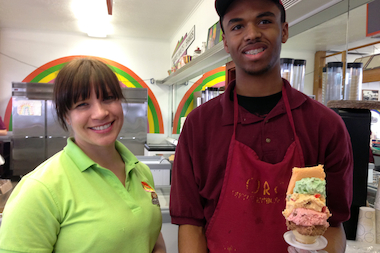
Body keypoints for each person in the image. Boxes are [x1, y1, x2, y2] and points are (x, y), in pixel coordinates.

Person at [169, 0, 353, 252]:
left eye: (264, 21)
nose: (252, 33)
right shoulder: (199, 125)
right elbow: (190, 223)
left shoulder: (324, 125)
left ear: (284, 30)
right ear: (225, 42)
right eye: (237, 26)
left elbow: (332, 224)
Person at [0, 58, 166, 253]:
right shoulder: (40, 189)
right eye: (82, 104)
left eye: (108, 98)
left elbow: (151, 239)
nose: (100, 113)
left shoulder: (141, 172)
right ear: (66, 116)